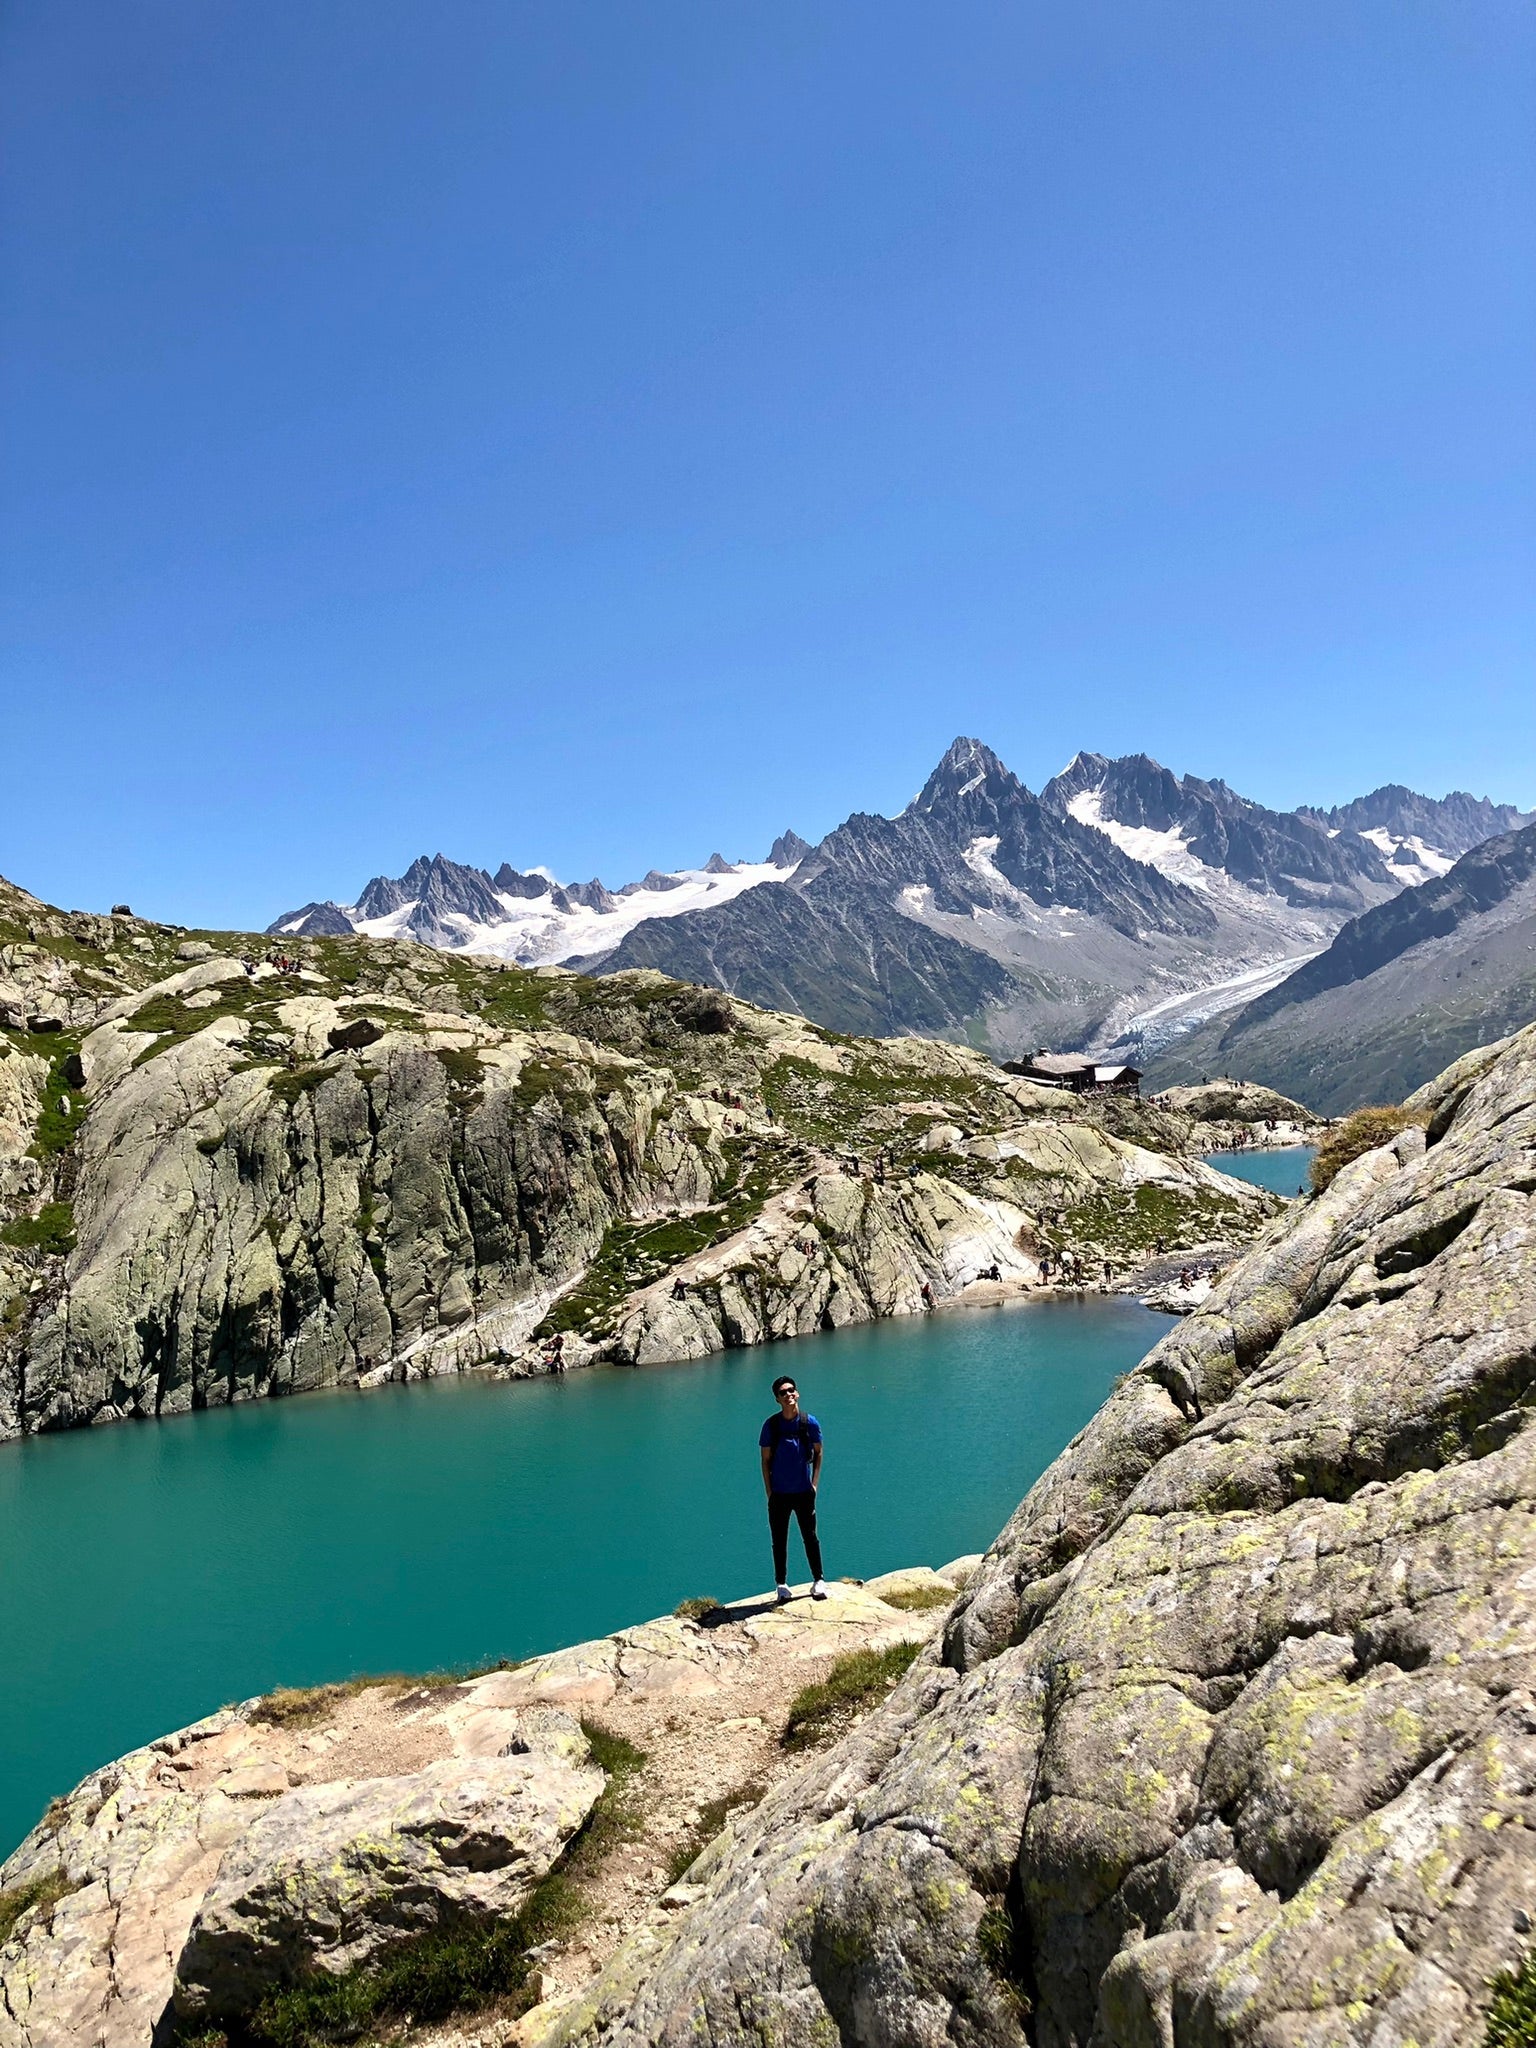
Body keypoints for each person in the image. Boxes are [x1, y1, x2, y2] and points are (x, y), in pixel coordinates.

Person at [759, 1374, 826, 1603]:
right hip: (779, 1494)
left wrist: (814, 1484)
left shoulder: (809, 1423)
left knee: (810, 1536)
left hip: (803, 1492)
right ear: (777, 1399)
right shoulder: (771, 1426)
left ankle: (818, 1580)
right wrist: (769, 1492)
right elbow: (765, 1461)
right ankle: (781, 1585)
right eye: (783, 1393)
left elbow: (818, 1452)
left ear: (797, 1393)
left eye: (791, 1391)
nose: (788, 1395)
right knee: (779, 1539)